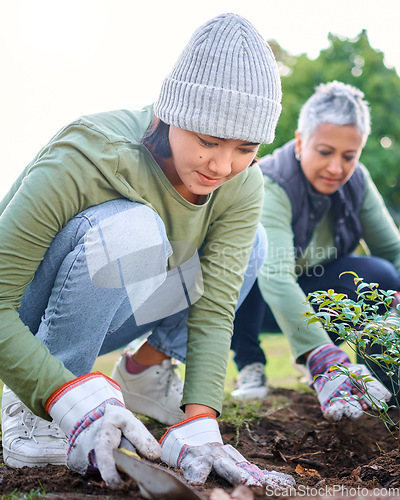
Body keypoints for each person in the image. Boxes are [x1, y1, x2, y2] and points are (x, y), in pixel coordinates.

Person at [0, 13, 297, 490]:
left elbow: (215, 307)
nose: (223, 165)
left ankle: (146, 372)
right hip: (27, 316)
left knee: (253, 243)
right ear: (169, 115)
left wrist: (200, 421)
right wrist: (58, 391)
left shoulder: (242, 182)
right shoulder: (90, 152)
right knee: (137, 228)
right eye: (207, 141)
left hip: (115, 311)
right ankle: (37, 399)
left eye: (246, 147)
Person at [230, 81, 398, 420]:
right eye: (325, 152)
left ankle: (381, 384)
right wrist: (322, 354)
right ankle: (251, 364)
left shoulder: (358, 182)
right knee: (250, 258)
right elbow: (275, 277)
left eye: (349, 156)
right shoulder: (272, 183)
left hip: (313, 288)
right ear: (300, 141)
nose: (337, 168)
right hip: (257, 298)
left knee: (382, 275)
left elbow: (393, 250)